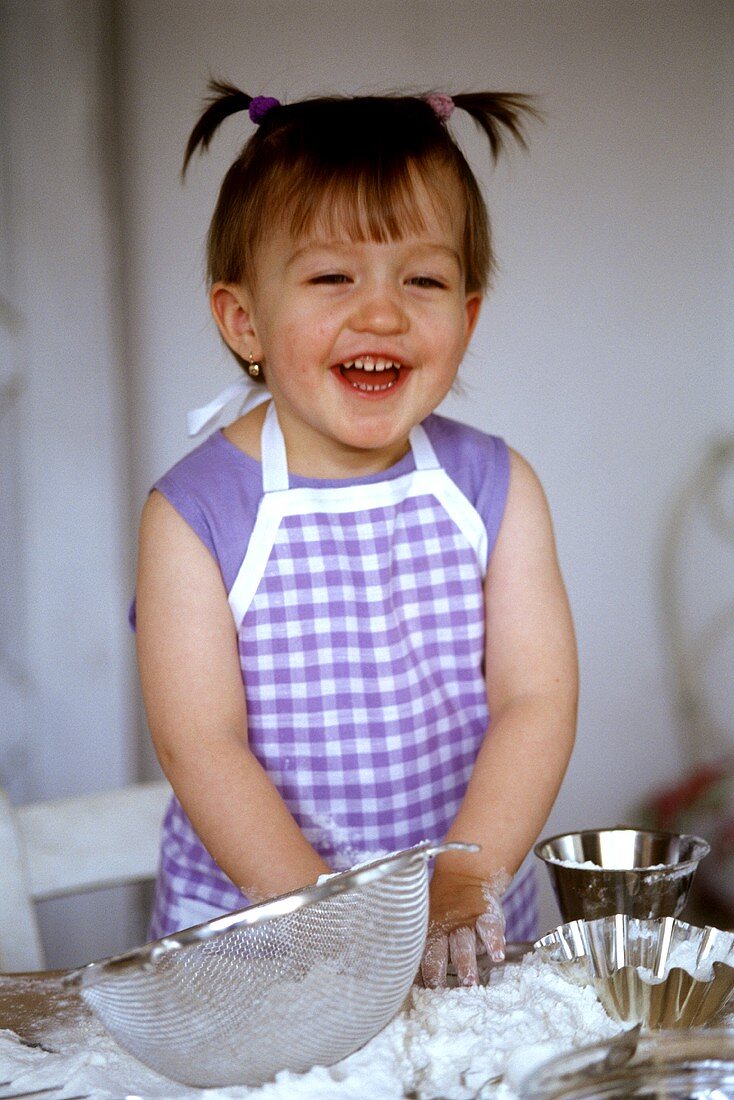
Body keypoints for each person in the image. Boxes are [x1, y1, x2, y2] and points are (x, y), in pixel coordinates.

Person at [134, 81, 578, 988]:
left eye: (423, 279)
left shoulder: (495, 489)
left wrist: (465, 879)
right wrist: (335, 928)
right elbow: (201, 744)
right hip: (260, 943)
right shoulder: (196, 514)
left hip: (463, 932)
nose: (382, 313)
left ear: (468, 316)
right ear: (244, 319)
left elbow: (535, 701)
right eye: (333, 276)